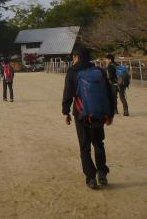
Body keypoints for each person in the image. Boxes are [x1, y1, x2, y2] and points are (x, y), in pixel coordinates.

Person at [62, 47, 115, 189]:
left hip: (81, 114)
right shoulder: (99, 71)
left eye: (74, 57)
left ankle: (91, 178)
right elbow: (109, 93)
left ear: (77, 57)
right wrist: (110, 114)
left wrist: (66, 112)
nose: (73, 60)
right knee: (98, 143)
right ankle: (102, 172)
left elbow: (68, 93)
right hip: (98, 114)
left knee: (84, 146)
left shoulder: (72, 72)